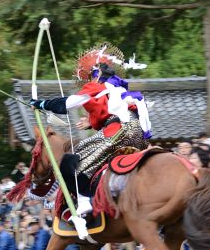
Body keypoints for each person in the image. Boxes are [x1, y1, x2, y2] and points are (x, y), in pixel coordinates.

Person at [29, 44, 151, 216]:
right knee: (99, 164)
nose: (86, 81)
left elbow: (68, 103)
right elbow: (108, 112)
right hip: (139, 135)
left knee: (70, 160)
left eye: (87, 76)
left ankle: (85, 202)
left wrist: (41, 104)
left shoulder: (96, 85)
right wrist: (91, 123)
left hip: (120, 131)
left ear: (95, 73)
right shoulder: (117, 86)